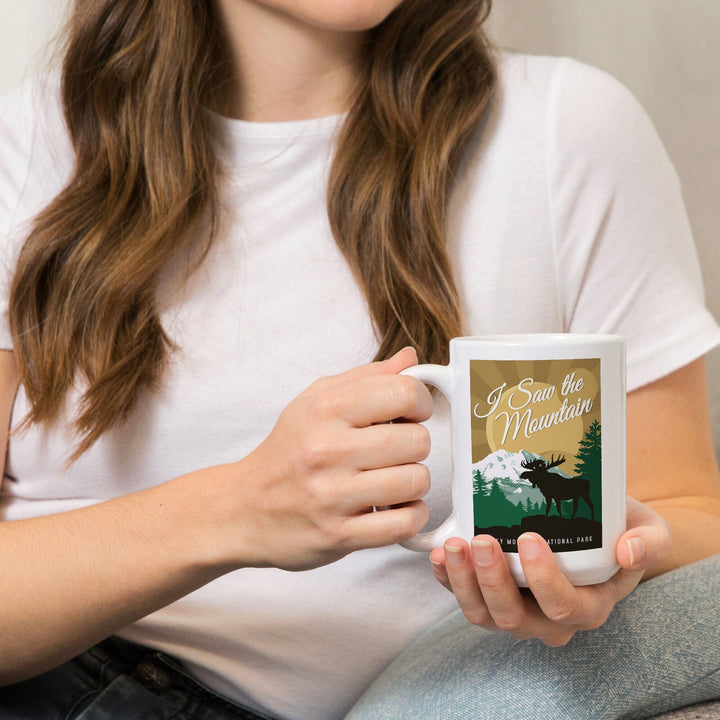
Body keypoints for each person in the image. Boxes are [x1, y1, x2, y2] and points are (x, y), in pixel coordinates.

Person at [0, 1, 719, 719]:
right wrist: (239, 509)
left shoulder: (570, 131)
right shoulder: (26, 146)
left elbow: (688, 511)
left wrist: (617, 566)